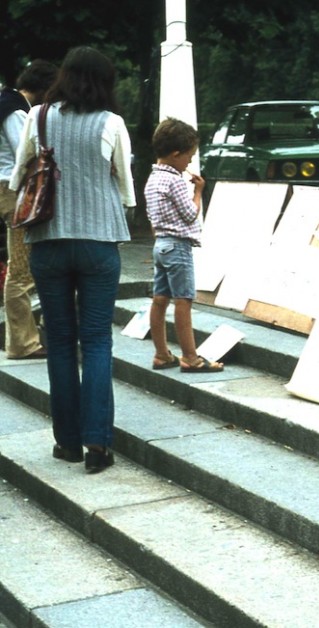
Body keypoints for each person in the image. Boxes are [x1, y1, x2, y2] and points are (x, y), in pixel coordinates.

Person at [9, 47, 136, 474]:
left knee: (61, 342)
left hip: (47, 239)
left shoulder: (39, 116)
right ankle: (98, 444)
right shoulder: (112, 122)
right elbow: (125, 186)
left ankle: (67, 443)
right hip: (100, 242)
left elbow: (19, 173)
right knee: (97, 341)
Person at [145, 117, 223, 374]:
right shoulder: (176, 180)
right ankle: (190, 356)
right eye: (188, 156)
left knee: (159, 300)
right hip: (178, 246)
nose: (189, 162)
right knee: (183, 300)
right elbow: (191, 214)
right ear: (176, 154)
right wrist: (198, 191)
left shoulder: (153, 179)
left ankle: (161, 353)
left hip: (160, 245)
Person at [0, 59, 58, 359]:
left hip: (7, 189)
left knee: (21, 267)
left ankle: (23, 339)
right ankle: (23, 343)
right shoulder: (15, 111)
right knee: (21, 270)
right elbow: (27, 155)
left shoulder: (7, 101)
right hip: (13, 190)